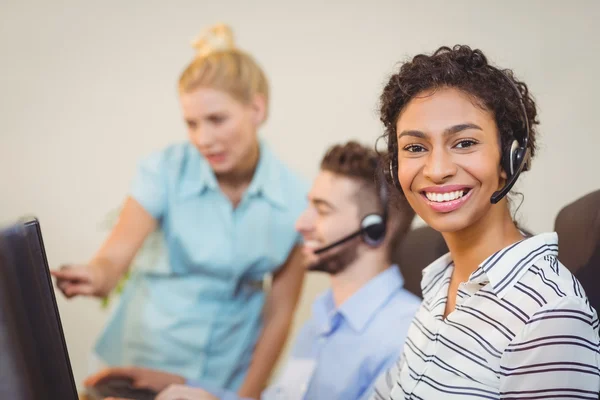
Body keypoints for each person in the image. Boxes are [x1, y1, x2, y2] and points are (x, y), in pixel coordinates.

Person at [51, 23, 308, 398]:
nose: (203, 139)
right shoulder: (164, 171)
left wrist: (246, 396)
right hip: (135, 370)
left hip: (220, 381)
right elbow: (111, 262)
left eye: (217, 120)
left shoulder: (297, 200)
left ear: (256, 108)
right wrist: (92, 274)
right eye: (191, 123)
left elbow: (279, 314)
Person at [84, 141, 422, 400]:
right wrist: (179, 384)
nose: (301, 223)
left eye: (322, 210)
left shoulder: (404, 337)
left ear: (376, 229)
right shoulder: (322, 321)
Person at [369, 45, 600, 399]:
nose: (437, 169)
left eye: (464, 143)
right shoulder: (439, 282)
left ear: (512, 157)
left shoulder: (549, 316)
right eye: (415, 148)